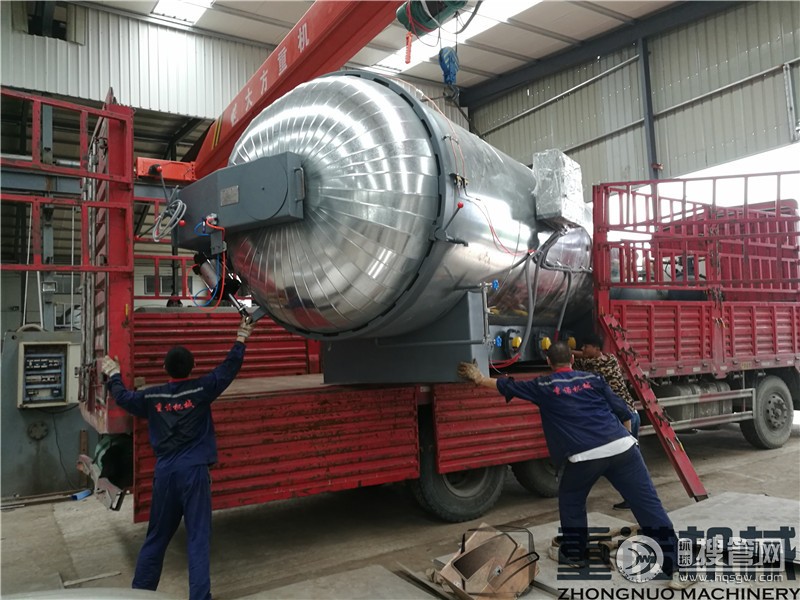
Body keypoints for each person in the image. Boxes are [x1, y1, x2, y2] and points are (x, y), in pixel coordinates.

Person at [458, 342, 689, 589]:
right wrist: (623, 442)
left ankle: (575, 554)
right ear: (572, 359)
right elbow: (624, 411)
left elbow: (507, 385)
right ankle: (680, 568)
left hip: (584, 456)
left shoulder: (543, 386)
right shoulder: (594, 379)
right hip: (623, 449)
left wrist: (479, 378)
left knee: (572, 501)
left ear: (548, 362)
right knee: (648, 507)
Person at [101, 315, 255, 600]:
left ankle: (141, 594)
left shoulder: (151, 398)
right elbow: (228, 369)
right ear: (192, 368)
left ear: (164, 368)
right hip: (194, 473)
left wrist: (113, 374)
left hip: (165, 474)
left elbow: (123, 398)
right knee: (198, 538)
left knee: (157, 537)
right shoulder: (202, 390)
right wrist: (241, 337)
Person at [572, 332, 640, 510]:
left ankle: (633, 499)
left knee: (624, 463)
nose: (582, 349)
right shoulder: (610, 359)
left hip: (623, 418)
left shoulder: (594, 366)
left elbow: (575, 361)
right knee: (631, 461)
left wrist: (565, 351)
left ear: (596, 348)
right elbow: (583, 356)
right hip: (632, 413)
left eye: (586, 346)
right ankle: (633, 498)